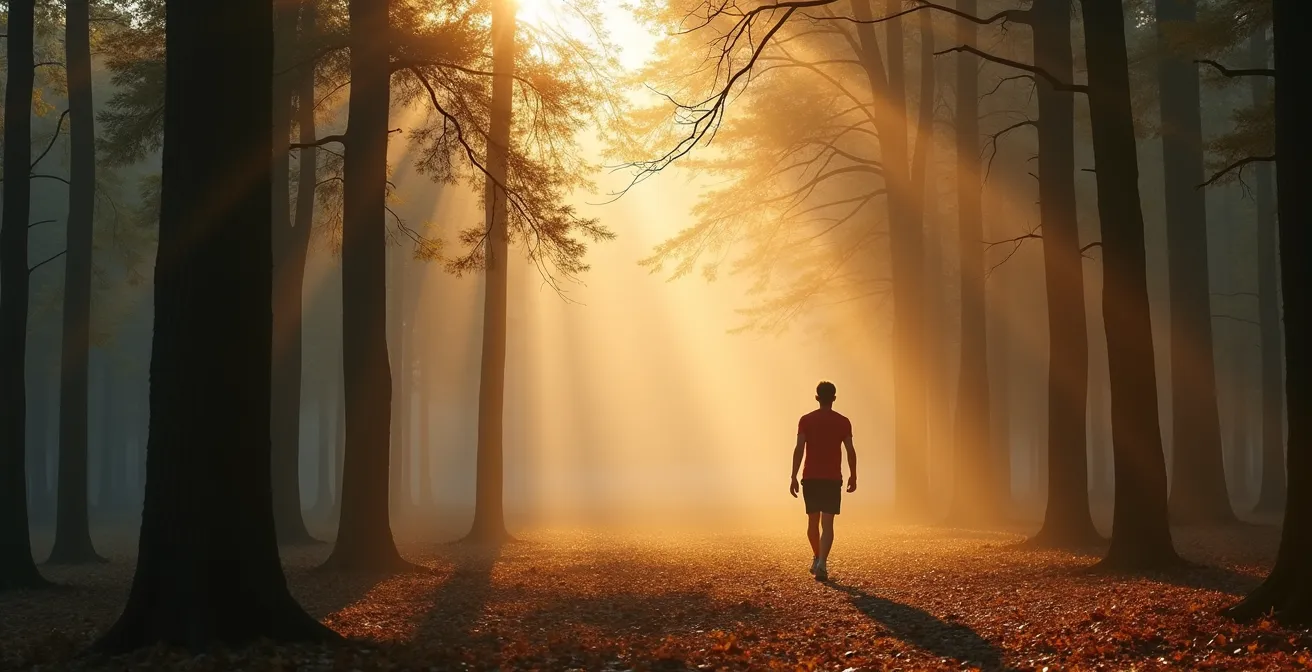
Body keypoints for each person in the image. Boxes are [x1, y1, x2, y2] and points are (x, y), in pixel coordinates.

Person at [789, 380, 856, 581]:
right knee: (828, 524)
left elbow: (799, 448)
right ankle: (823, 563)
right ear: (834, 398)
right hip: (832, 478)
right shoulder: (843, 422)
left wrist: (793, 475)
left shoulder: (806, 420)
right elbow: (850, 450)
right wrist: (853, 474)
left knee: (812, 521)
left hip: (810, 477)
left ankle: (817, 557)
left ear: (817, 397)